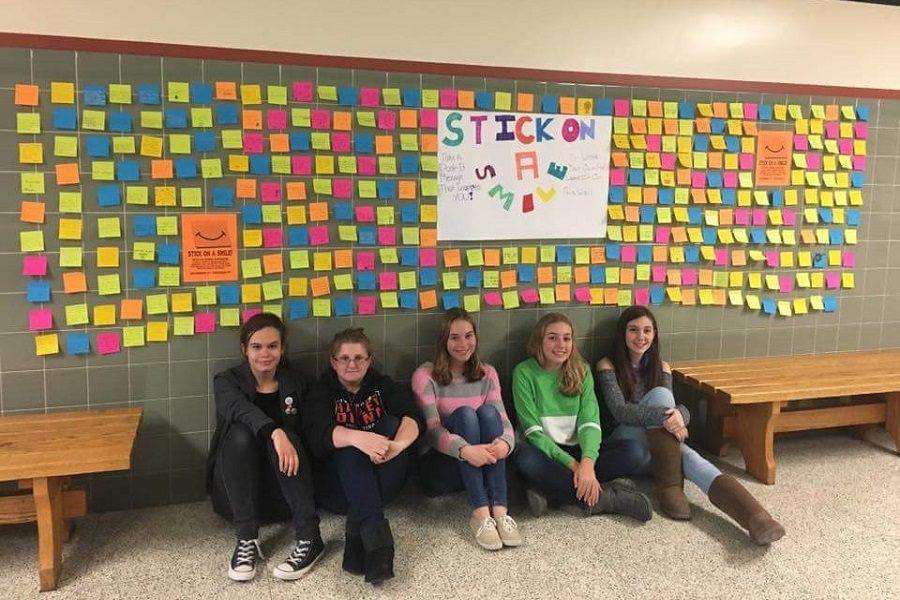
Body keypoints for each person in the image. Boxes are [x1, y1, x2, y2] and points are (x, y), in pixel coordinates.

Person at [596, 305, 785, 545]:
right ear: (622, 334)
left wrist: (680, 417)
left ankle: (757, 518)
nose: (640, 337)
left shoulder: (662, 366)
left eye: (647, 330)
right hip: (624, 442)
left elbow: (675, 408)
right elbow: (621, 412)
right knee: (661, 397)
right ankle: (670, 487)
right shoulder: (607, 365)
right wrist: (670, 418)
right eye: (633, 330)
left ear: (655, 335)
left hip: (657, 450)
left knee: (688, 453)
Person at [207, 312, 324, 582]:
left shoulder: (298, 382)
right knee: (239, 435)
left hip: (285, 488)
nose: (265, 354)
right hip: (240, 493)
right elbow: (238, 409)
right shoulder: (226, 381)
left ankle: (310, 538)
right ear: (244, 349)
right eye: (256, 346)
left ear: (283, 349)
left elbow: (315, 429)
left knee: (290, 437)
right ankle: (246, 539)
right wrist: (274, 432)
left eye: (272, 346)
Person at [303, 327, 422, 584]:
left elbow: (413, 416)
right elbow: (318, 435)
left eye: (359, 357)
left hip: (382, 479)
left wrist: (397, 446)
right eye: (344, 358)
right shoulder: (321, 391)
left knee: (392, 424)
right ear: (333, 362)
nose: (352, 364)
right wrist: (359, 439)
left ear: (369, 360)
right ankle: (378, 546)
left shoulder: (382, 386)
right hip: (337, 492)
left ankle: (359, 536)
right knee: (347, 449)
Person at [512, 312, 652, 521]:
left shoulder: (582, 370)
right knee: (526, 460)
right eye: (552, 338)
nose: (561, 344)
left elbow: (590, 423)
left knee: (635, 451)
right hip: (546, 453)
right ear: (538, 342)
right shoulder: (524, 372)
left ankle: (550, 492)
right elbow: (533, 434)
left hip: (578, 450)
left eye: (567, 338)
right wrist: (575, 467)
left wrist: (587, 463)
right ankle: (606, 499)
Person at [412, 308, 524, 551]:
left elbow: (504, 422)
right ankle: (481, 515)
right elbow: (432, 432)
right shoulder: (425, 375)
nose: (463, 344)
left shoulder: (487, 373)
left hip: (482, 462)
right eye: (454, 337)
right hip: (442, 467)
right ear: (443, 340)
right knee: (465, 415)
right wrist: (465, 451)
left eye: (468, 336)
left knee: (488, 414)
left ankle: (500, 512)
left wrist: (505, 443)